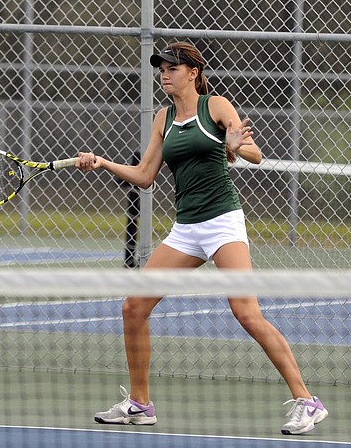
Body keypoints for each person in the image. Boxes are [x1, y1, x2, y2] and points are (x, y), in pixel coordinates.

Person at [75, 41, 328, 435]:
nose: (164, 74)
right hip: (186, 229)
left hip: (223, 222)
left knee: (246, 313)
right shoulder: (163, 117)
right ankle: (139, 404)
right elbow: (145, 176)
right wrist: (103, 163)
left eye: (172, 68)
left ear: (193, 73)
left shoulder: (216, 106)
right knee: (133, 307)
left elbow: (255, 154)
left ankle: (307, 401)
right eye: (161, 69)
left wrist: (233, 146)